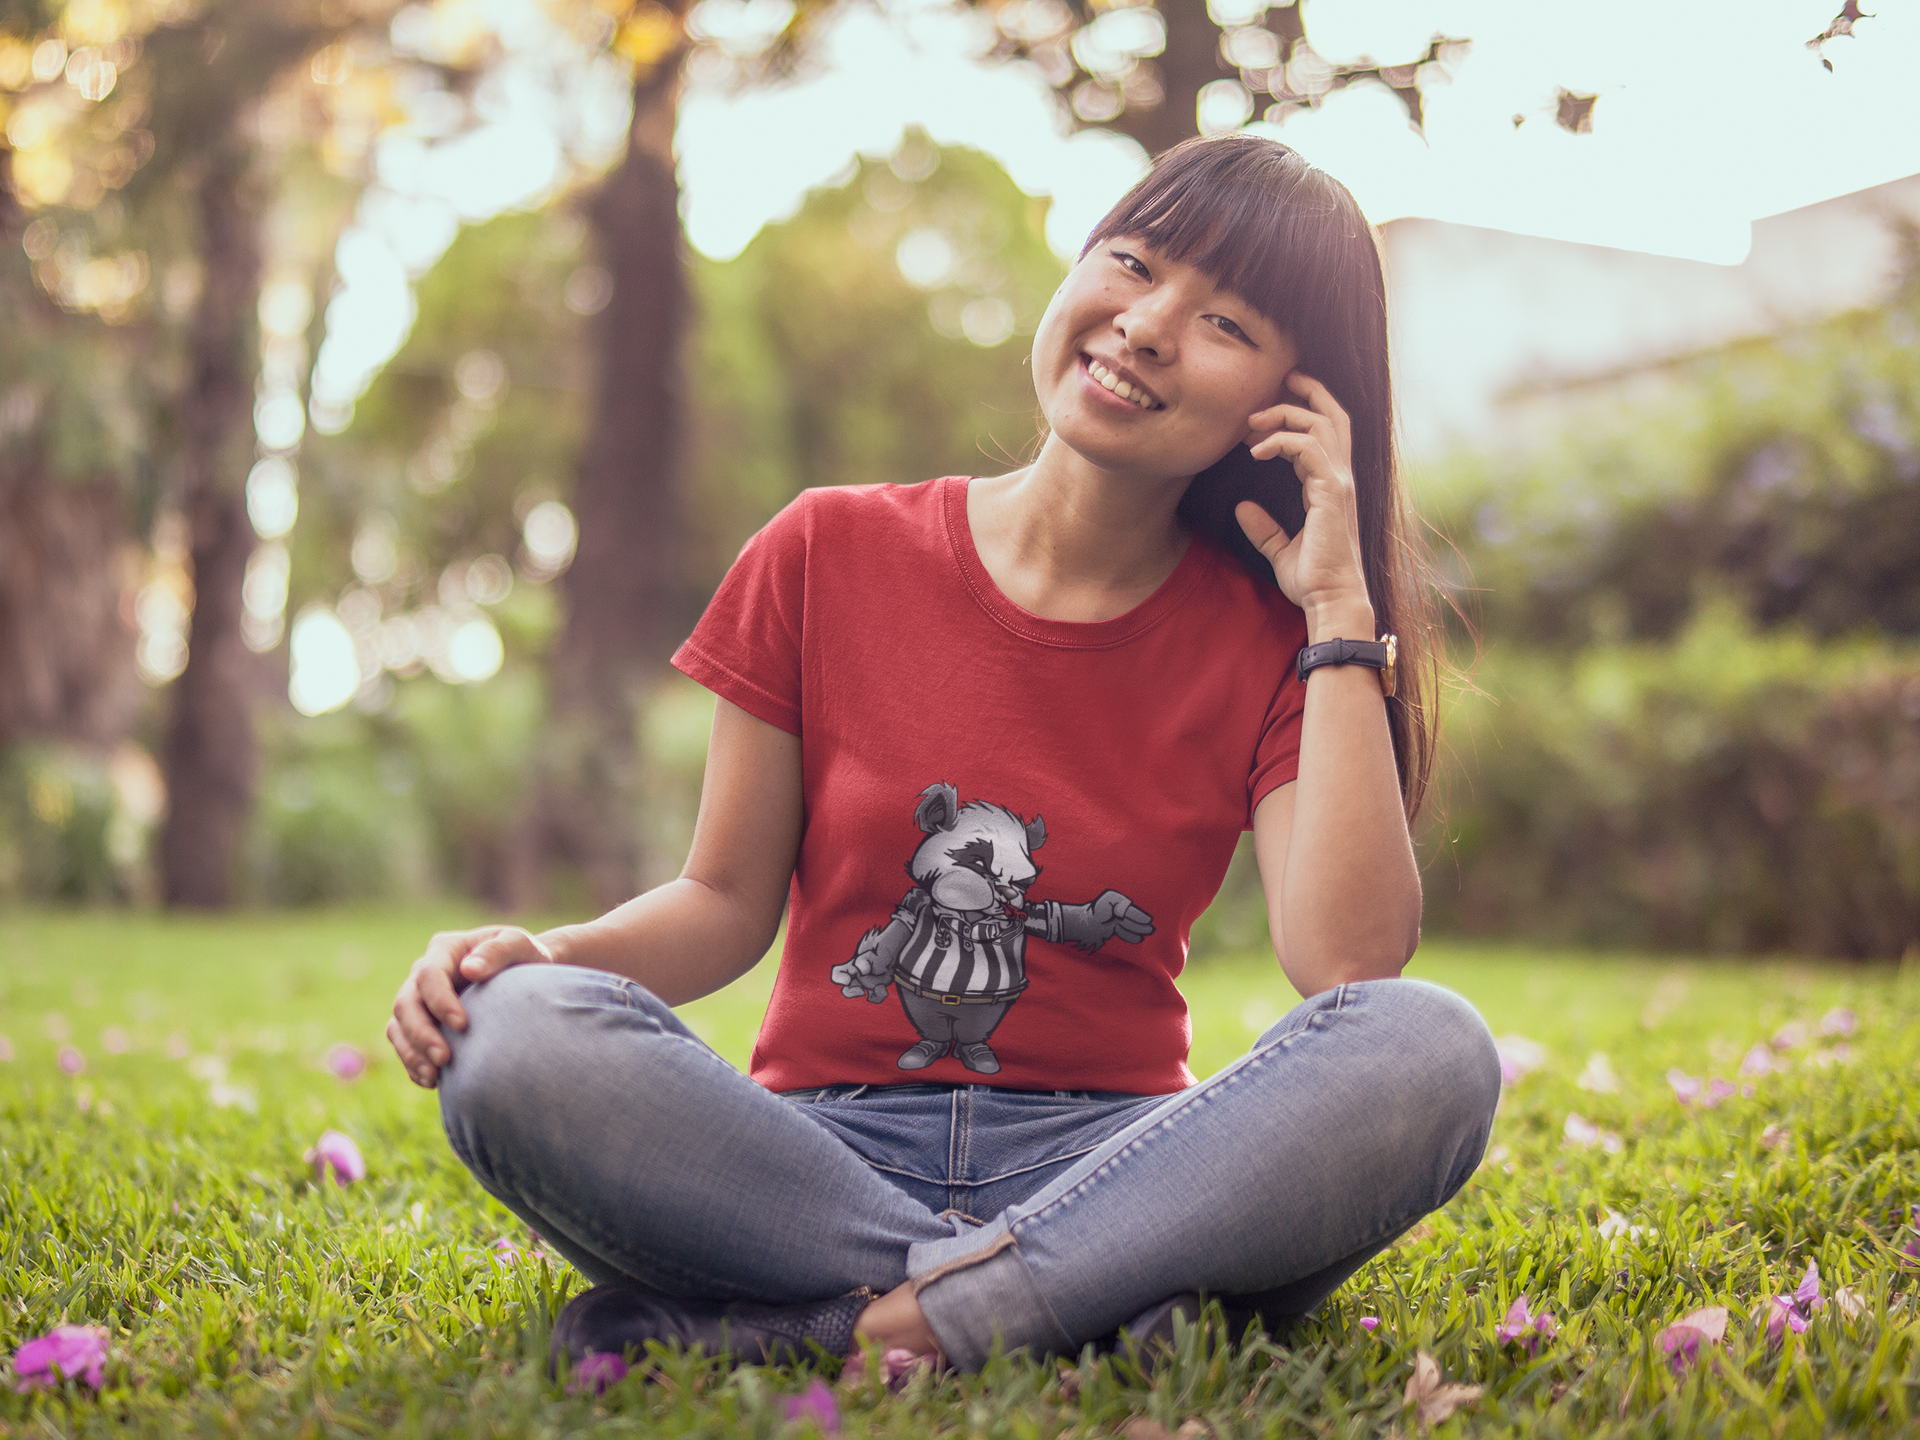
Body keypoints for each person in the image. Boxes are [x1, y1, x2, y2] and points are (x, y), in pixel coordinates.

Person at [386, 132, 1501, 1375]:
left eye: (1227, 324)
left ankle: (847, 1326)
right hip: (817, 1160)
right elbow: (721, 901)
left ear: (1293, 410)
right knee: (516, 1037)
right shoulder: (824, 552)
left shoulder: (1270, 642)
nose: (1146, 325)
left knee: (1431, 1048)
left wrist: (1341, 617)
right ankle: (1071, 1314)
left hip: (1111, 1163)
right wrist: (544, 957)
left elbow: (1349, 964)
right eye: (1133, 263)